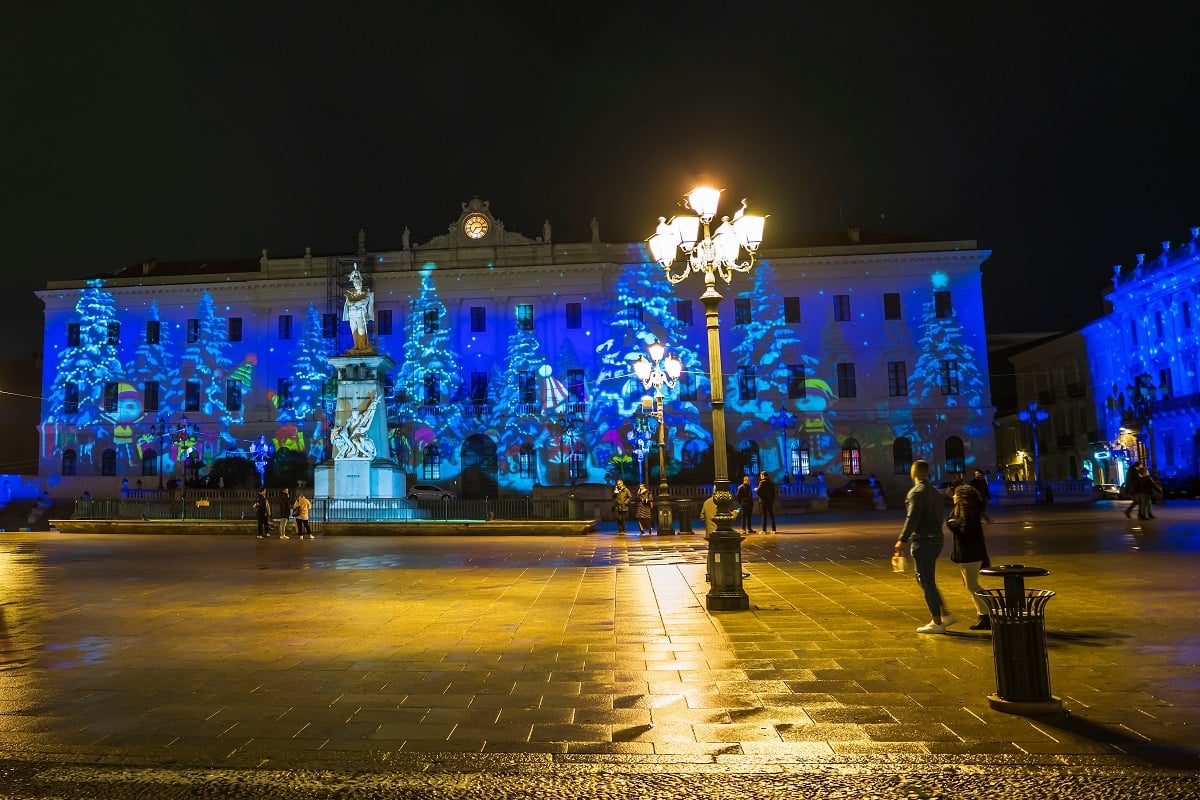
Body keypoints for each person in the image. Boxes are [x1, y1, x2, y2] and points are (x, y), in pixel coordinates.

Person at [893, 460, 957, 634]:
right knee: (925, 579)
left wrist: (902, 540)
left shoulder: (916, 493)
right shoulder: (935, 493)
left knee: (925, 580)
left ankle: (937, 622)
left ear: (913, 473)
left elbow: (912, 518)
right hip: (937, 539)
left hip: (923, 541)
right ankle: (945, 613)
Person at [947, 484, 992, 630]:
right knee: (970, 585)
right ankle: (984, 614)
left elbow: (963, 530)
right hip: (971, 554)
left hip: (970, 555)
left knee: (973, 585)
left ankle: (987, 613)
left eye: (955, 495)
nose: (953, 497)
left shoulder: (967, 513)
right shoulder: (965, 511)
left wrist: (951, 523)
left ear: (962, 497)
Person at [342, 265, 375, 354]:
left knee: (361, 329)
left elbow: (364, 301)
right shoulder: (351, 293)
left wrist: (354, 303)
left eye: (359, 283)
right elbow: (348, 302)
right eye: (356, 283)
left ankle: (362, 346)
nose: (358, 284)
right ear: (354, 284)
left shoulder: (366, 293)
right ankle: (356, 345)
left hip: (361, 314)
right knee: (354, 329)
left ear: (361, 282)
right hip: (352, 314)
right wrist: (353, 303)